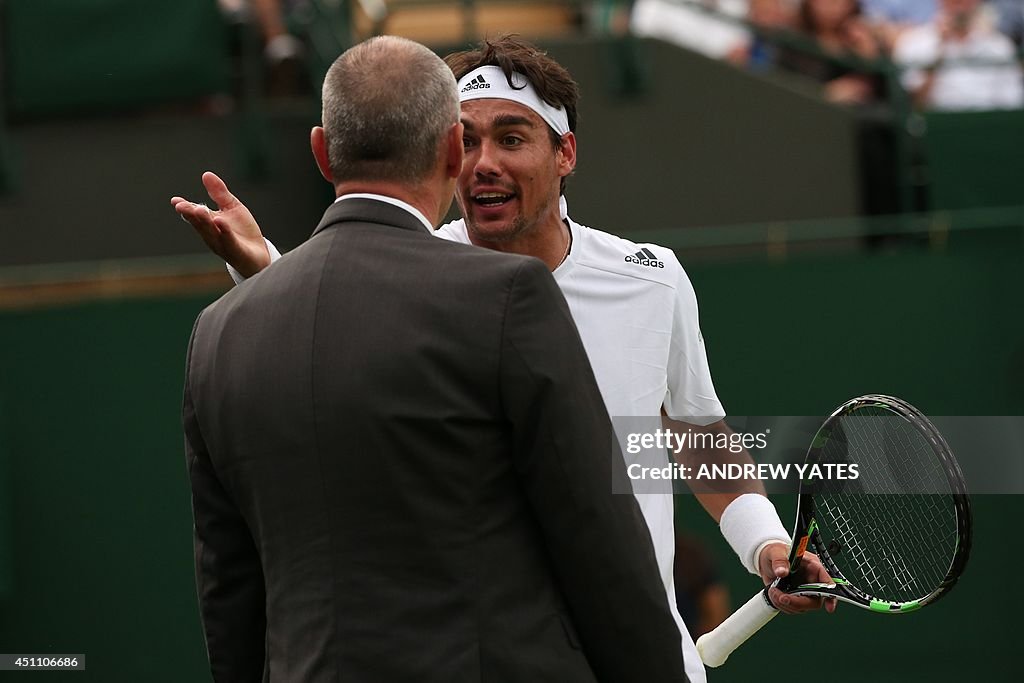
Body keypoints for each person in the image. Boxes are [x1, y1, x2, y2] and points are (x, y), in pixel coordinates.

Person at [175, 35, 835, 683]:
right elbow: (346, 331)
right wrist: (266, 272)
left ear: (565, 152)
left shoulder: (653, 278)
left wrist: (767, 544)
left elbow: (696, 438)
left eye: (512, 138)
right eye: (468, 139)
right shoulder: (413, 273)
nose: (482, 162)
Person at [893, 0, 1024, 110]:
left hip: (990, 128)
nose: (960, 4)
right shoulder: (912, 42)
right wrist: (940, 48)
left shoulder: (999, 46)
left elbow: (1012, 102)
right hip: (936, 129)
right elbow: (915, 104)